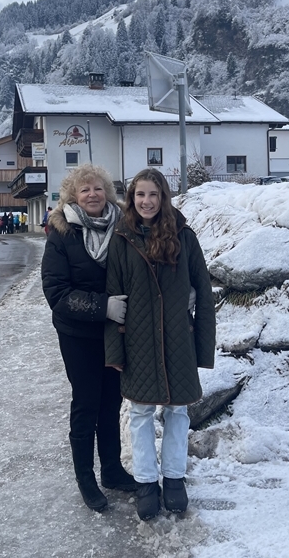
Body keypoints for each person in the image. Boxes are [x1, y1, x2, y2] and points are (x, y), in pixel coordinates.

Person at [104, 168, 216, 521]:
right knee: (140, 414)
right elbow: (114, 297)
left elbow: (204, 293)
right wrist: (114, 349)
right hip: (137, 340)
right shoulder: (121, 239)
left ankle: (174, 478)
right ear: (131, 198)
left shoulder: (184, 236)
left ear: (163, 197)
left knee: (177, 411)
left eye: (153, 194)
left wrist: (203, 345)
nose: (147, 201)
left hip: (178, 338)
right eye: (140, 194)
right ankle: (146, 482)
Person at [41, 164, 136, 512]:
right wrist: (102, 306)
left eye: (98, 188)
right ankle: (85, 477)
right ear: (73, 197)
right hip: (78, 334)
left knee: (111, 401)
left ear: (107, 192)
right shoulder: (62, 233)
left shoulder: (123, 227)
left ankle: (111, 469)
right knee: (86, 403)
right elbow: (56, 292)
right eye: (84, 190)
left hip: (115, 331)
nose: (92, 194)